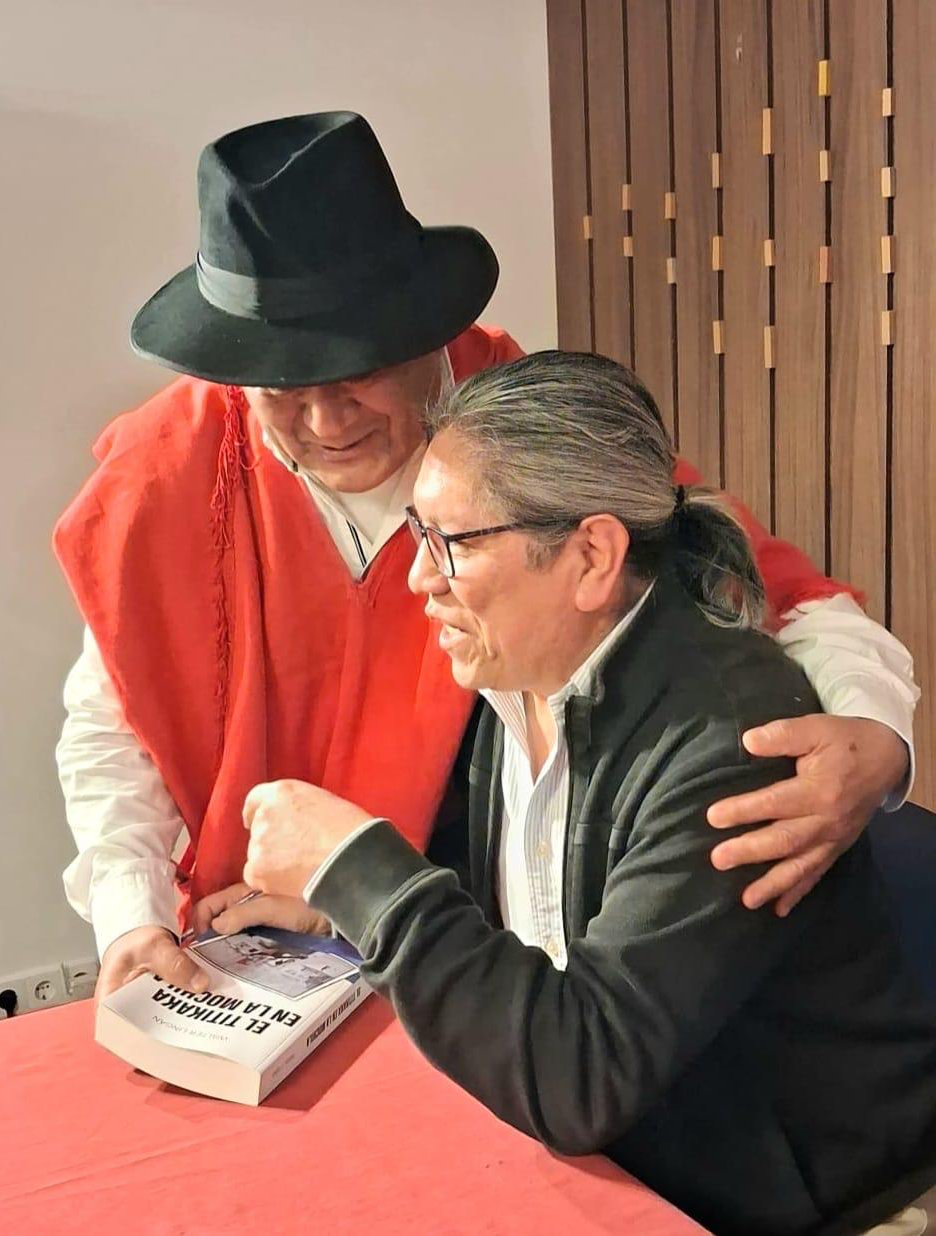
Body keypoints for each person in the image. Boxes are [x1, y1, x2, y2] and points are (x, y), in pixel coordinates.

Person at [55, 112, 917, 1003]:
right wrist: (131, 913)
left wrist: (876, 737)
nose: (327, 422)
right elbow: (115, 718)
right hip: (253, 932)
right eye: (284, 389)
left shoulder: (518, 426)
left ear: (426, 329)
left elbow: (772, 587)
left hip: (476, 936)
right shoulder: (162, 472)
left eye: (359, 372)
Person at [241, 351, 936, 1236]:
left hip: (802, 1203)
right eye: (417, 532)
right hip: (631, 1156)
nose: (421, 577)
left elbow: (580, 1077)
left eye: (453, 543)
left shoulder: (732, 745)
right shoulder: (512, 679)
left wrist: (356, 870)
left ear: (592, 556)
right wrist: (336, 901)